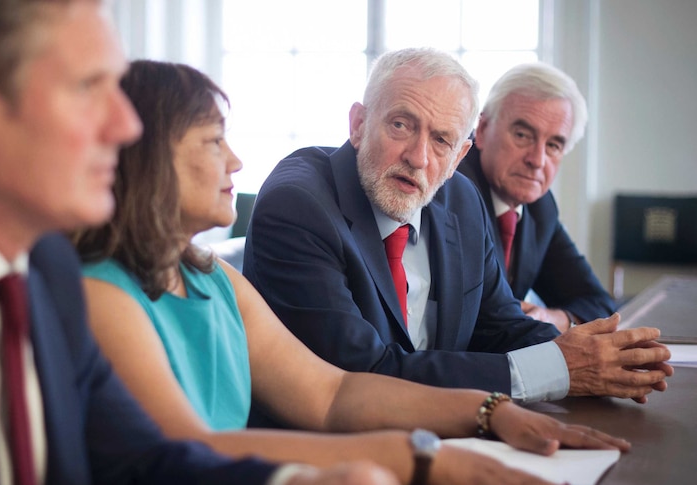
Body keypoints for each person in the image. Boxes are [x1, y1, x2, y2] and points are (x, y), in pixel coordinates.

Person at [0, 1, 399, 484]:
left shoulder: (44, 266)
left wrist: (300, 480)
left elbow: (141, 459)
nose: (128, 127)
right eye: (88, 88)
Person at [73, 59, 631, 485]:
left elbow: (334, 392)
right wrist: (418, 458)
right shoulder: (101, 292)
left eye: (440, 139)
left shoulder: (212, 276)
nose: (237, 162)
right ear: (145, 158)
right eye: (215, 141)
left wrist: (487, 410)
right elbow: (190, 451)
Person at [242, 47, 673, 409]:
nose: (418, 156)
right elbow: (361, 373)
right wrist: (559, 368)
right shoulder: (298, 205)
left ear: (459, 154)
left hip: (451, 428)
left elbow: (498, 324)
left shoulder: (461, 201)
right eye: (401, 124)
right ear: (358, 125)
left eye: (442, 140)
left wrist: (600, 357)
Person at [456, 62, 616, 333]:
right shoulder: (454, 191)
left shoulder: (540, 207)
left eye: (554, 145)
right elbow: (482, 324)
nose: (537, 160)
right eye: (522, 135)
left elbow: (600, 304)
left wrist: (558, 318)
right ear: (481, 130)